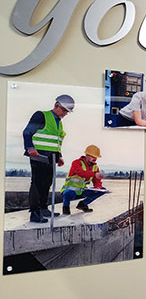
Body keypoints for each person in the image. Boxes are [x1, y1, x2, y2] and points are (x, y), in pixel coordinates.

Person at [23, 94, 74, 223]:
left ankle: (43, 208)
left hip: (51, 157)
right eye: (64, 110)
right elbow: (27, 132)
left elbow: (56, 141)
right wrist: (30, 148)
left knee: (47, 183)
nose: (65, 114)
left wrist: (59, 155)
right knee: (37, 183)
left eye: (67, 112)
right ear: (57, 106)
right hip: (38, 155)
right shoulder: (41, 115)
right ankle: (34, 213)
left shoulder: (58, 122)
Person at [61, 145, 107, 214]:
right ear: (87, 155)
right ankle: (66, 207)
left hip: (82, 190)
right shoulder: (76, 163)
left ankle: (83, 204)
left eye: (96, 157)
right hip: (71, 190)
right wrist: (94, 174)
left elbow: (96, 181)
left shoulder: (95, 167)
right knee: (67, 193)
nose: (95, 159)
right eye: (93, 156)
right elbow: (81, 173)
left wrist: (98, 187)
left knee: (102, 190)